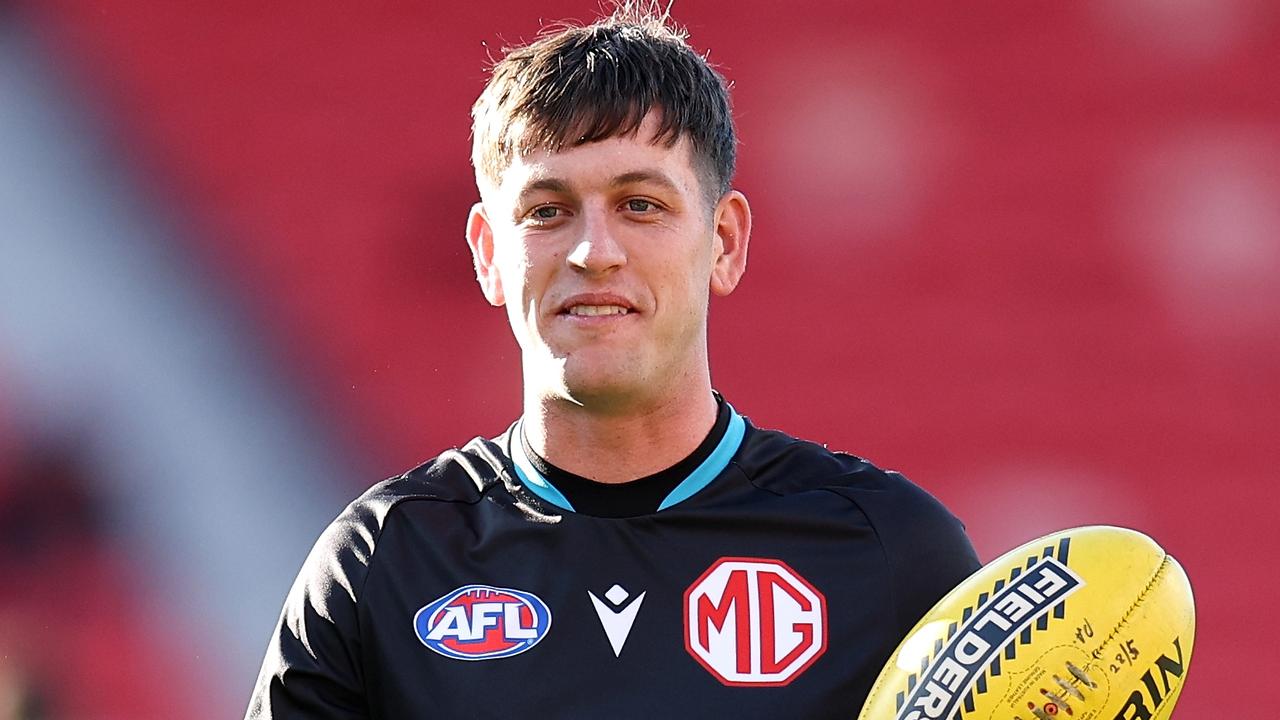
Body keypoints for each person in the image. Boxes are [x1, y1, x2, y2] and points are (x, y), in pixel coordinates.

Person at [246, 4, 979, 718]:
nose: (594, 252)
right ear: (489, 255)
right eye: (546, 211)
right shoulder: (384, 566)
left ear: (723, 241)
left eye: (640, 205)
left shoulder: (888, 553)